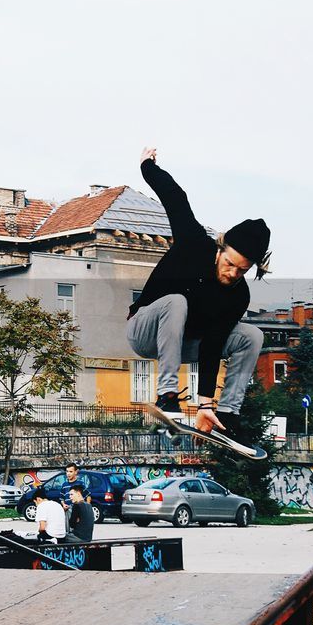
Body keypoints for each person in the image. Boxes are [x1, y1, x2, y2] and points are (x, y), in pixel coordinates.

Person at [127, 146, 272, 444]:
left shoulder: (237, 296)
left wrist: (205, 403)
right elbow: (174, 197)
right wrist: (147, 166)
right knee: (177, 301)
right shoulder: (194, 242)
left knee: (251, 335)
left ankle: (228, 413)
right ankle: (167, 393)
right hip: (144, 328)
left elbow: (213, 345)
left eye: (241, 271)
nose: (232, 274)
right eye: (229, 263)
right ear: (220, 248)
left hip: (186, 345)